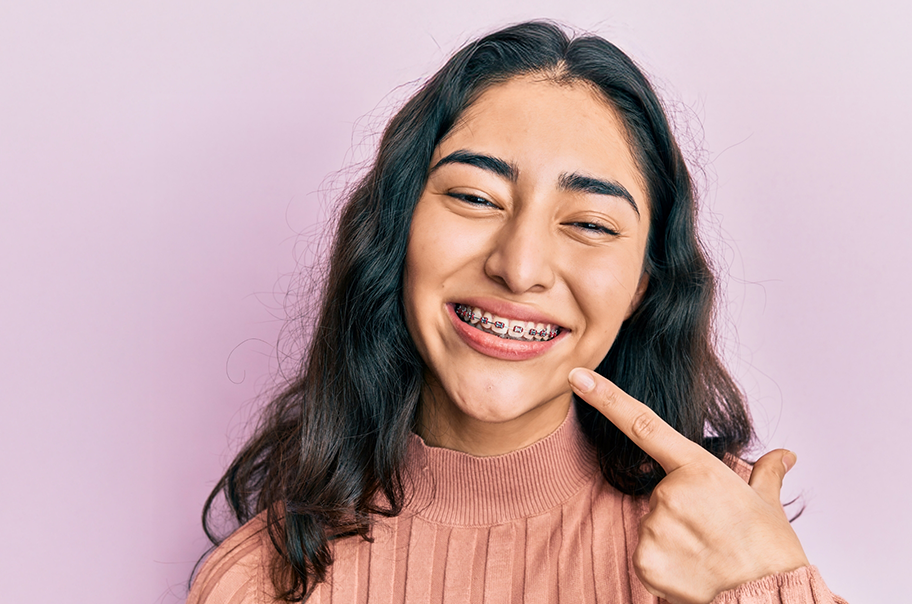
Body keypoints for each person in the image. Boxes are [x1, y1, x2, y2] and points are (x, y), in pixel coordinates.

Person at [187, 20, 847, 604]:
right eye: (475, 197)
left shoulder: (729, 540)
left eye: (589, 223)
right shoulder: (259, 584)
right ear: (397, 234)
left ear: (641, 288)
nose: (520, 266)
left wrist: (759, 589)